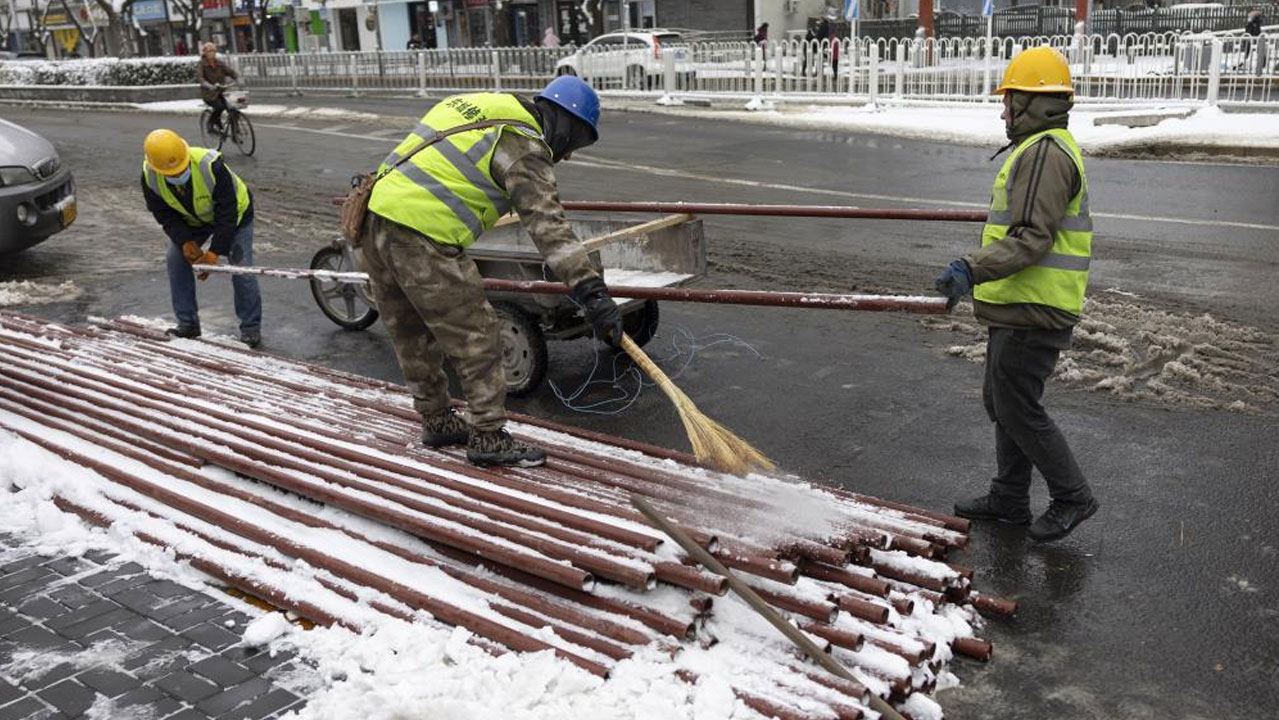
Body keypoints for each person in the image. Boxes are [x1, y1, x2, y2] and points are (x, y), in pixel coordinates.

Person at [360, 76, 621, 468]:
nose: (566, 156)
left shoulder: (483, 104)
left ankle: (437, 419)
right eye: (575, 144)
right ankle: (487, 436)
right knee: (478, 334)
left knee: (411, 330)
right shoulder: (523, 145)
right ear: (566, 124)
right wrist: (591, 291)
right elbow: (549, 228)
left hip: (373, 218)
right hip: (422, 232)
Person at [933, 46, 1099, 543]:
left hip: (1036, 306)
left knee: (1018, 405)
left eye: (1009, 101)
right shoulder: (1041, 148)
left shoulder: (1045, 153)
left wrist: (970, 268)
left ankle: (1073, 495)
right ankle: (1009, 497)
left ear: (1032, 103)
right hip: (1021, 303)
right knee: (1001, 399)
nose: (1003, 110)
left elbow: (1032, 237)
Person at [141, 129, 262, 348]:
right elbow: (164, 214)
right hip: (194, 220)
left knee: (241, 268)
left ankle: (250, 328)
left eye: (181, 169)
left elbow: (227, 212)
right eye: (171, 174)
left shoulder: (210, 165)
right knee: (175, 259)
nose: (178, 175)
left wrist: (214, 252)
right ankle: (187, 324)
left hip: (236, 215)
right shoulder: (150, 176)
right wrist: (185, 241)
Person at [196, 42, 238, 136]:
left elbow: (229, 71)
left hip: (220, 92)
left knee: (233, 109)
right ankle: (210, 123)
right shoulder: (202, 64)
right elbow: (200, 78)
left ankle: (236, 132)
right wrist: (208, 85)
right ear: (205, 53)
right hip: (209, 94)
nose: (212, 53)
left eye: (213, 51)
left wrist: (237, 77)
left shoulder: (219, 63)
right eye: (209, 51)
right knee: (219, 107)